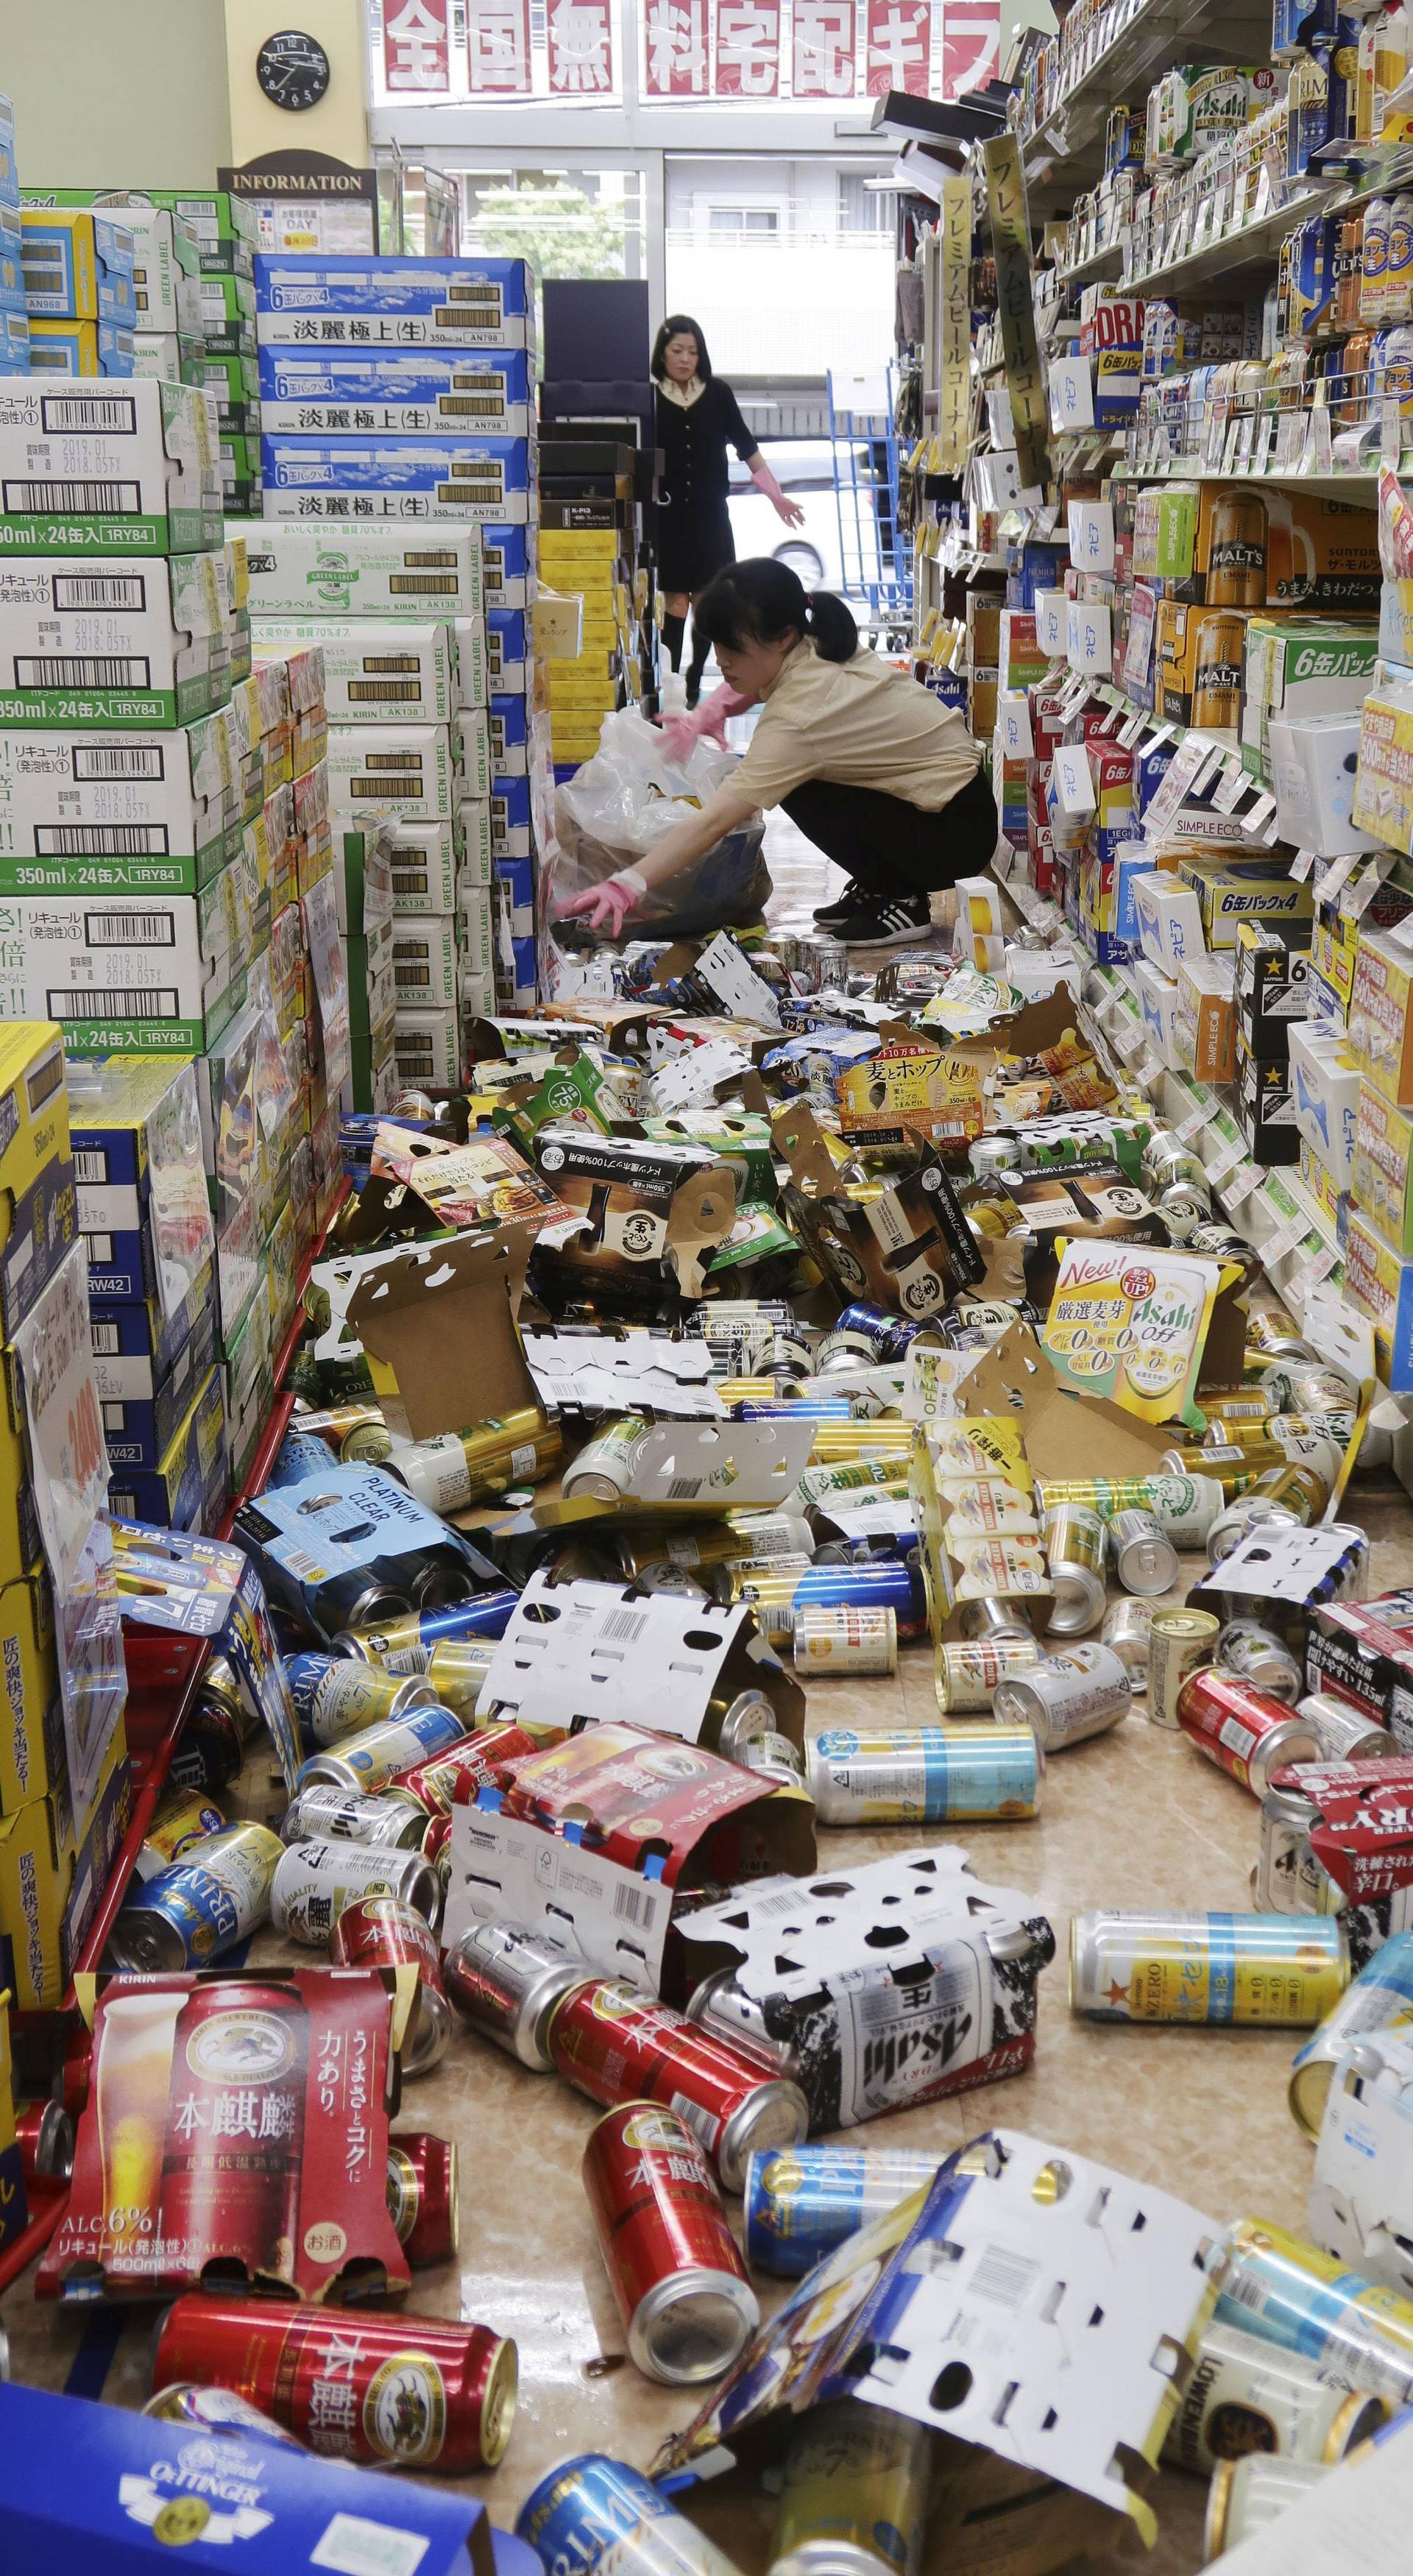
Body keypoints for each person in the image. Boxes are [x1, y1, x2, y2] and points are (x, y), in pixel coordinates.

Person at [557, 558, 1001, 950]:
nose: (722, 661)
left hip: (953, 833)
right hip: (956, 805)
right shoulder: (819, 642)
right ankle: (884, 884)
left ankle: (903, 898)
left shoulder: (801, 715)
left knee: (784, 781)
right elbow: (754, 682)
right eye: (716, 645)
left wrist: (628, 883)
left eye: (734, 648)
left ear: (783, 637)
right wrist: (709, 711)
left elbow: (716, 819)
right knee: (788, 776)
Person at [652, 315, 806, 708]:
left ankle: (692, 683)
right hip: (669, 518)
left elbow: (747, 448)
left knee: (708, 602)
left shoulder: (718, 393)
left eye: (692, 351)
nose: (685, 359)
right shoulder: (651, 398)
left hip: (711, 517)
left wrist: (777, 497)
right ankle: (667, 684)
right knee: (675, 603)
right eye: (677, 351)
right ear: (663, 354)